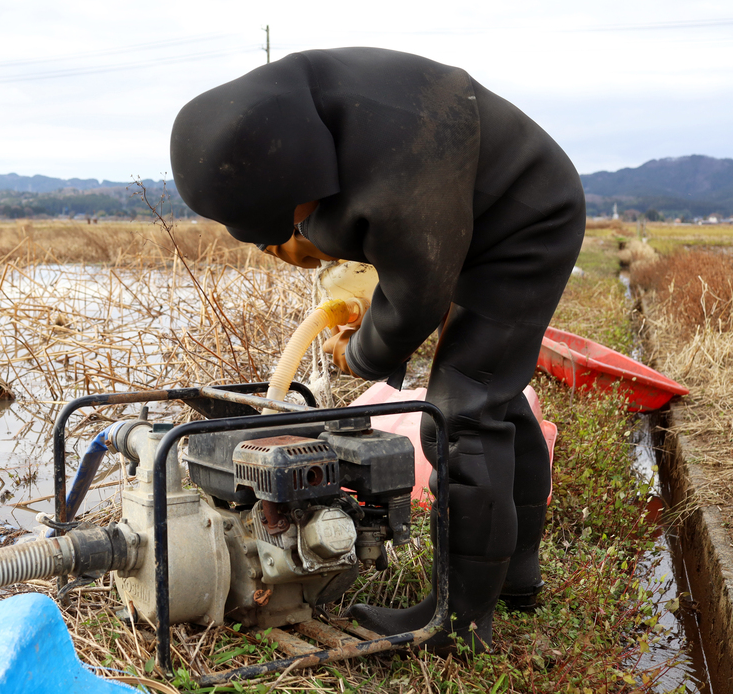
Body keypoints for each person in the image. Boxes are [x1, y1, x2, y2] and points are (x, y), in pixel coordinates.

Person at [169, 47, 586, 651]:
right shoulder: (304, 115)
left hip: (526, 224)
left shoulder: (395, 179)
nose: (293, 238)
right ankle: (516, 576)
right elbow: (385, 240)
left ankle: (458, 622)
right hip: (491, 211)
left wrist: (359, 355)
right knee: (496, 398)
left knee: (463, 413)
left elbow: (415, 295)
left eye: (287, 226)